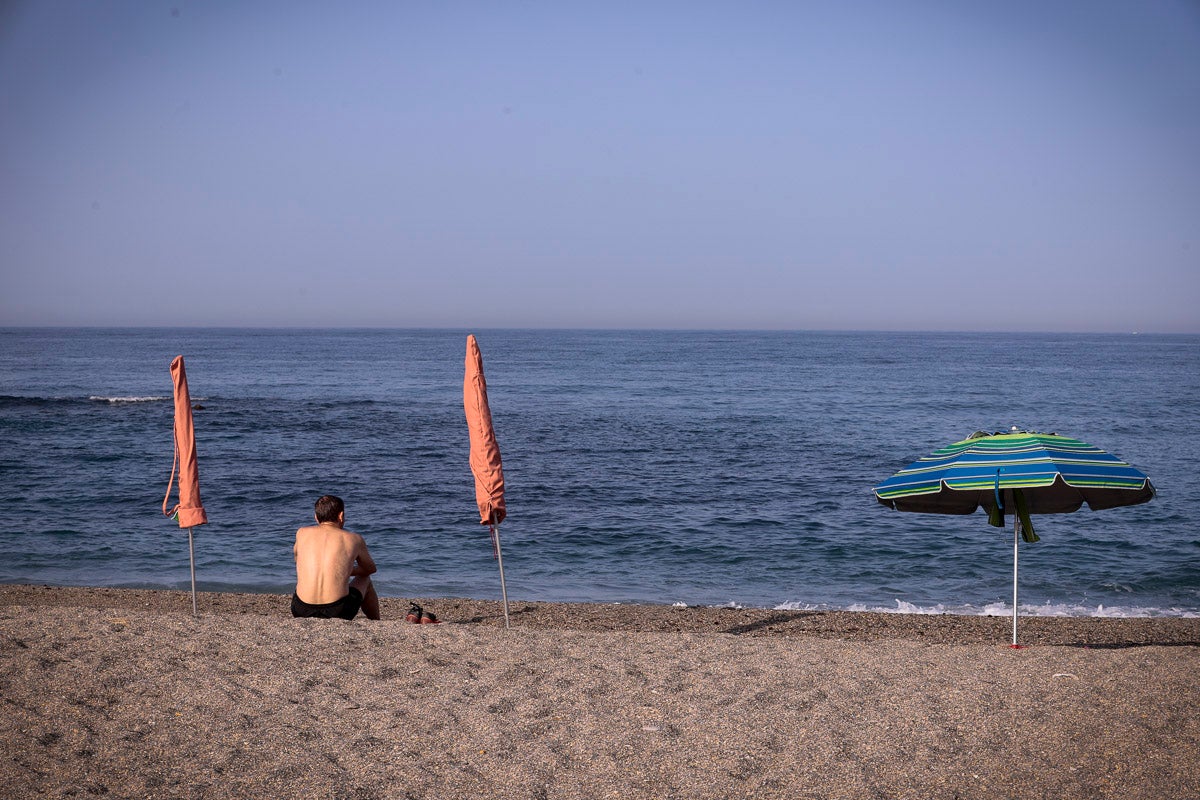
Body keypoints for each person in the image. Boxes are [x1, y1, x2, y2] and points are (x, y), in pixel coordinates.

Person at [291, 495, 381, 620]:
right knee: (365, 579)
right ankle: (376, 621)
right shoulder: (353, 538)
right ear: (341, 516)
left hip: (300, 609)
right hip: (338, 611)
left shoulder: (301, 533)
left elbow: (298, 561)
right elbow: (370, 569)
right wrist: (343, 569)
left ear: (316, 517)